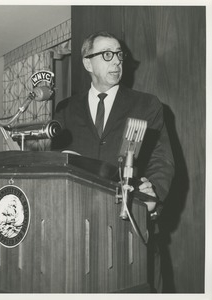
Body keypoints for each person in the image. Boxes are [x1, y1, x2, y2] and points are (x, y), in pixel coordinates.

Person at [53, 31, 174, 292]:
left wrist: (152, 196)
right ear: (87, 63)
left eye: (119, 55)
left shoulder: (147, 104)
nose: (117, 61)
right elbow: (57, 168)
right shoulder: (65, 110)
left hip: (131, 228)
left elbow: (161, 160)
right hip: (79, 232)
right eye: (107, 55)